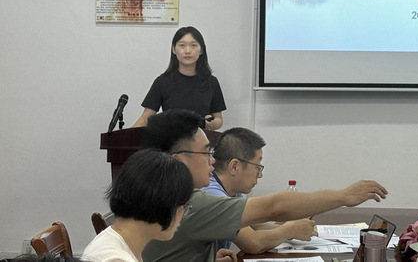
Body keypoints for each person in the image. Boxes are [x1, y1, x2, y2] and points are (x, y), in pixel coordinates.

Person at [141, 109, 388, 262]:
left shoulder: (162, 193)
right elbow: (274, 207)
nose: (213, 160)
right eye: (206, 152)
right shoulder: (190, 202)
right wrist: (344, 196)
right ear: (180, 160)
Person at [202, 127, 314, 253]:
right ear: (234, 167)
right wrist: (290, 230)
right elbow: (254, 243)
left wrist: (292, 225)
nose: (260, 175)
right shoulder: (213, 195)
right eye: (257, 167)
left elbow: (253, 225)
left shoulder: (231, 190)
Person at [82, 148, 194, 262]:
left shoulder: (116, 240)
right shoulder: (116, 258)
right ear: (164, 205)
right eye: (183, 206)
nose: (182, 215)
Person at [132, 27, 225, 130]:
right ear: (174, 49)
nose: (187, 51)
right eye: (182, 45)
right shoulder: (162, 81)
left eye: (193, 45)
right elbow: (146, 117)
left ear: (201, 50)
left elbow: (218, 119)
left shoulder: (211, 82)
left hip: (200, 138)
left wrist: (212, 123)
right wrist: (127, 135)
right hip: (170, 138)